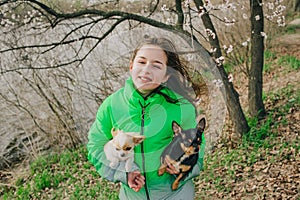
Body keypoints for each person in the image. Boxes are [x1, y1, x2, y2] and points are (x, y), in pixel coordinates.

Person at [87, 37, 206, 200]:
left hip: (175, 193)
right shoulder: (111, 105)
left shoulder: (182, 107)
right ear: (131, 66)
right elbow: (96, 145)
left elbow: (198, 145)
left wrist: (186, 167)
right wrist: (123, 173)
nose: (146, 70)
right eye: (141, 62)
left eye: (156, 65)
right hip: (132, 195)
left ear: (166, 75)